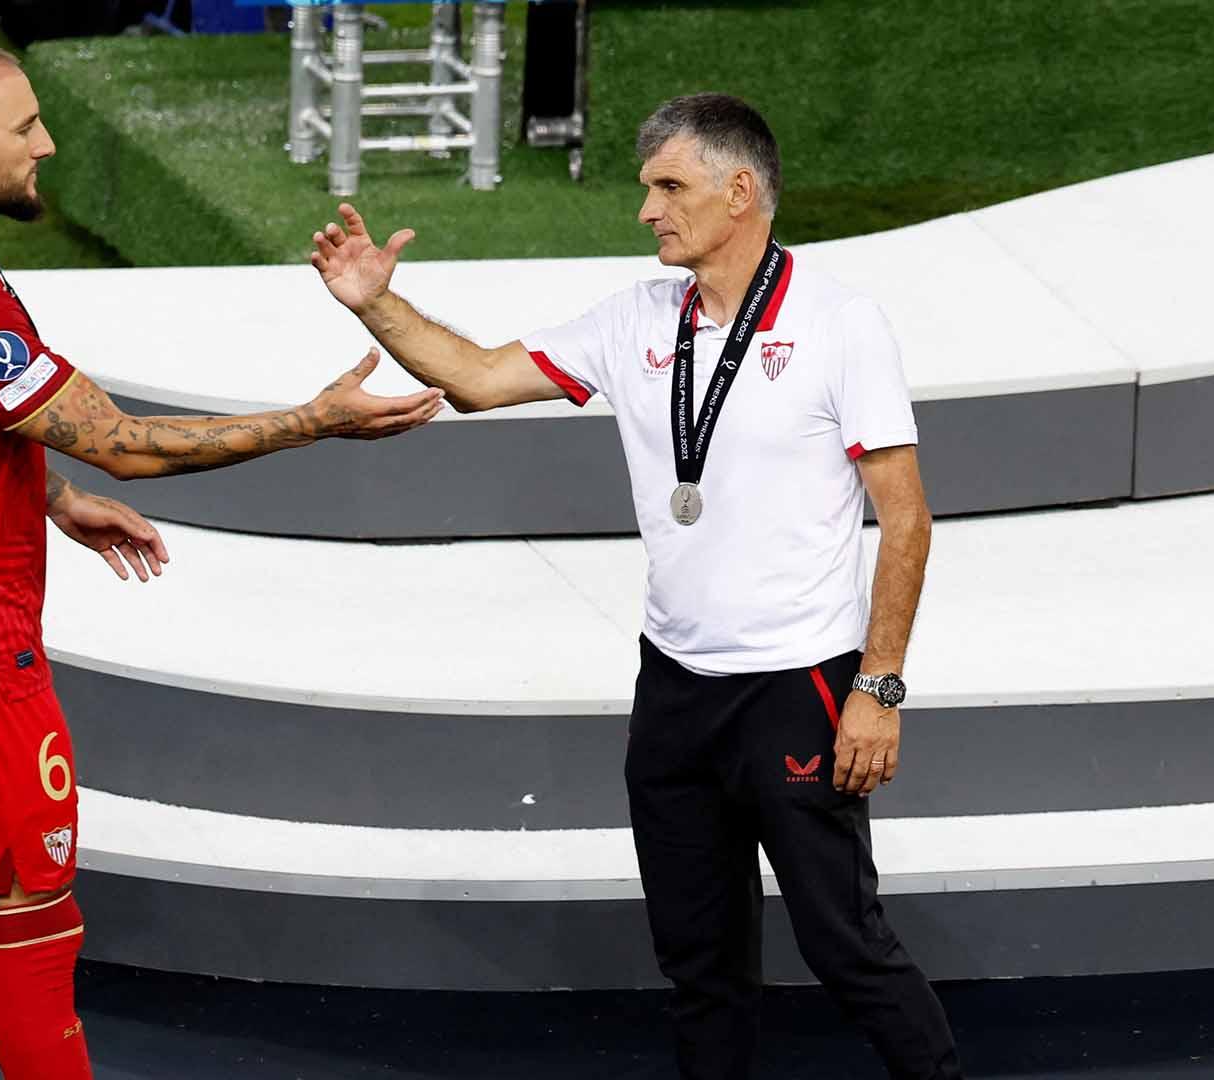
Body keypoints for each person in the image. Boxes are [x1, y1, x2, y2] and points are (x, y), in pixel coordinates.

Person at [0, 38, 443, 1080]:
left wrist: (50, 496)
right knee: (35, 926)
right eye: (26, 128)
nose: (48, 144)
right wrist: (313, 421)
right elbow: (123, 440)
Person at [310, 93, 962, 1079]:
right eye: (647, 188)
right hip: (674, 698)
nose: (648, 210)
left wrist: (879, 688)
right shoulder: (635, 320)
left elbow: (905, 516)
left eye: (669, 187)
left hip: (800, 690)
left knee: (847, 950)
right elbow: (483, 377)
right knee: (700, 967)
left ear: (739, 192)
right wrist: (373, 302)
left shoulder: (840, 324)